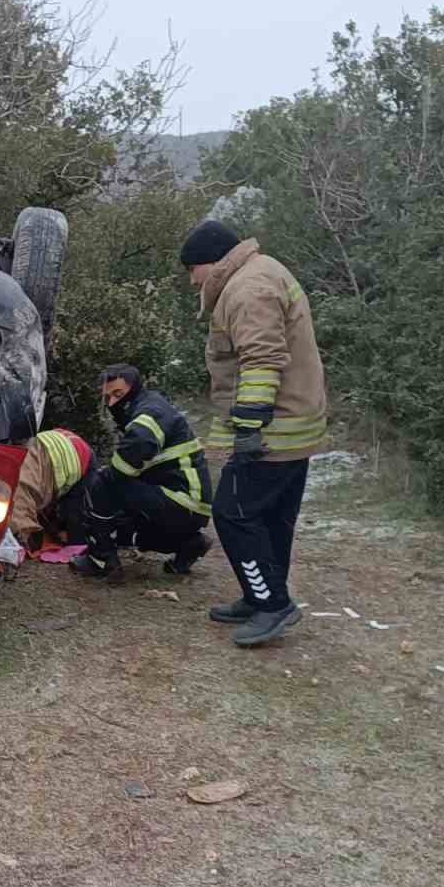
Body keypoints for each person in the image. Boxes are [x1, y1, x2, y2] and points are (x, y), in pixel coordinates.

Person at [179, 220, 327, 647]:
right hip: (293, 425)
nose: (193, 281)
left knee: (232, 512)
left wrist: (248, 424)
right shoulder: (262, 272)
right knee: (271, 518)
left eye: (193, 270)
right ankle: (259, 595)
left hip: (271, 431)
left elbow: (261, 358)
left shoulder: (248, 288)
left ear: (212, 262)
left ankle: (272, 604)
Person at [70, 365, 212, 582]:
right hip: (189, 507)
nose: (113, 403)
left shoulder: (149, 411)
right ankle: (190, 544)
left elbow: (140, 443)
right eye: (107, 397)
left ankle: (101, 560)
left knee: (100, 484)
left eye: (118, 394)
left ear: (134, 388)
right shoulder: (150, 405)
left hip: (179, 500)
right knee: (122, 523)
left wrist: (109, 478)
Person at [9, 428, 98, 551]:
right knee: (53, 511)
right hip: (56, 444)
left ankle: (78, 546)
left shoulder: (17, 495)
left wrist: (24, 543)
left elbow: (24, 530)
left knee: (75, 513)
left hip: (80, 458)